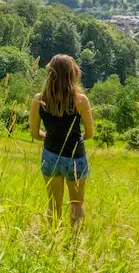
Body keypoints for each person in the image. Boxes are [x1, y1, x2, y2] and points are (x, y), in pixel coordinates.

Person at [29, 54, 94, 230]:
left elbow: (34, 133)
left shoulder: (38, 99)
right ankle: (74, 243)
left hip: (50, 156)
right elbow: (90, 133)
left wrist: (47, 136)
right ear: (73, 74)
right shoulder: (81, 100)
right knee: (77, 203)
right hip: (75, 158)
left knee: (54, 204)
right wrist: (81, 138)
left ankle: (52, 240)